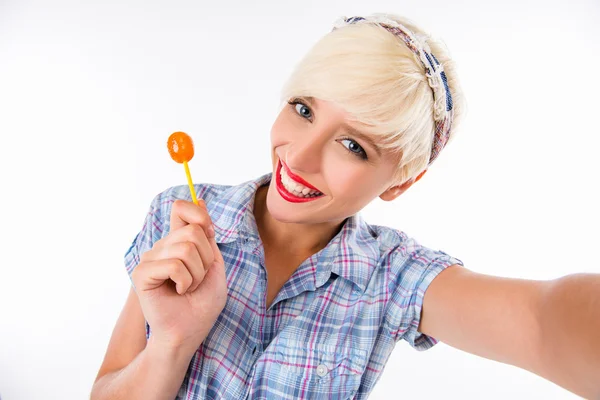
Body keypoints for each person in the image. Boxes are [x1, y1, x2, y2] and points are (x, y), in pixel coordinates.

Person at [90, 13, 600, 399]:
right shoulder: (180, 214)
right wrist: (172, 343)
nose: (300, 155)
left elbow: (540, 321)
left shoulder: (393, 278)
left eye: (353, 145)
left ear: (401, 183)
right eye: (304, 109)